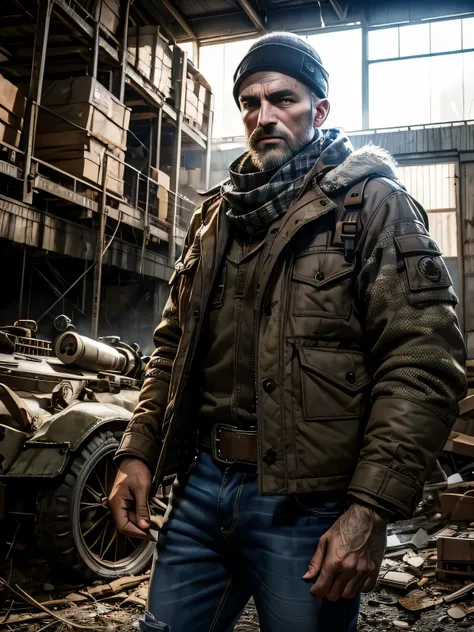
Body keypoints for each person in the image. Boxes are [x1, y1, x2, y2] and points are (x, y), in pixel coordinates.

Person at [110, 32, 467, 632]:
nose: (264, 116)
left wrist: (370, 510)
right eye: (250, 102)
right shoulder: (215, 217)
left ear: (320, 110)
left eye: (283, 99)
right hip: (200, 490)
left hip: (309, 505)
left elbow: (423, 360)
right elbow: (172, 347)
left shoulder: (371, 205)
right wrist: (139, 450)